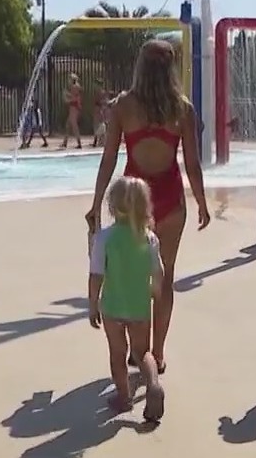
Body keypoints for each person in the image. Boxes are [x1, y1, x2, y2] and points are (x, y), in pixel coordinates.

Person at [85, 39, 211, 374]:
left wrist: (97, 203)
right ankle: (157, 350)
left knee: (130, 273)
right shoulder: (182, 108)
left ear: (140, 66)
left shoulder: (124, 106)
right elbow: (193, 164)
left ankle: (136, 350)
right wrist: (200, 202)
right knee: (163, 277)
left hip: (132, 203)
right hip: (170, 201)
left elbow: (109, 157)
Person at [88, 176, 167, 420]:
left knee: (117, 353)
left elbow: (96, 275)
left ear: (112, 206)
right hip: (139, 305)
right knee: (143, 352)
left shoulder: (104, 238)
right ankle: (153, 384)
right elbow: (159, 272)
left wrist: (93, 305)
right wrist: (155, 291)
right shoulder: (149, 238)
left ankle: (124, 398)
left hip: (112, 306)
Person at [61, 73, 83, 149]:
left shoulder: (75, 87)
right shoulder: (76, 86)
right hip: (74, 107)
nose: (68, 81)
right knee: (68, 125)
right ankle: (65, 142)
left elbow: (74, 99)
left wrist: (66, 96)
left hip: (74, 107)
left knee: (74, 125)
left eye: (69, 79)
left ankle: (79, 143)